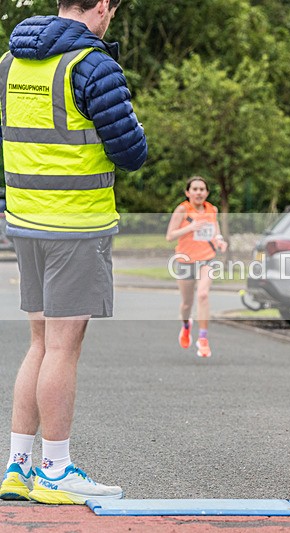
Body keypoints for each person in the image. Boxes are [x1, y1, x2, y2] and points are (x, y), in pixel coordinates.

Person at [0, 0, 147, 504]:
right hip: (75, 223)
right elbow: (131, 152)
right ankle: (56, 470)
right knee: (62, 348)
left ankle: (18, 466)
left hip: (24, 220)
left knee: (39, 344)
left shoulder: (10, 61)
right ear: (102, 6)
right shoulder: (92, 64)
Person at [165, 177, 228, 358]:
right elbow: (170, 236)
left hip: (207, 259)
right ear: (188, 192)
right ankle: (186, 326)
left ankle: (203, 338)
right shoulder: (182, 210)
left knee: (203, 295)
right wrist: (191, 226)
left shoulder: (212, 210)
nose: (199, 192)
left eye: (202, 189)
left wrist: (220, 241)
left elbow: (215, 233)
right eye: (195, 189)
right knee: (186, 304)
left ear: (207, 193)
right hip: (185, 261)